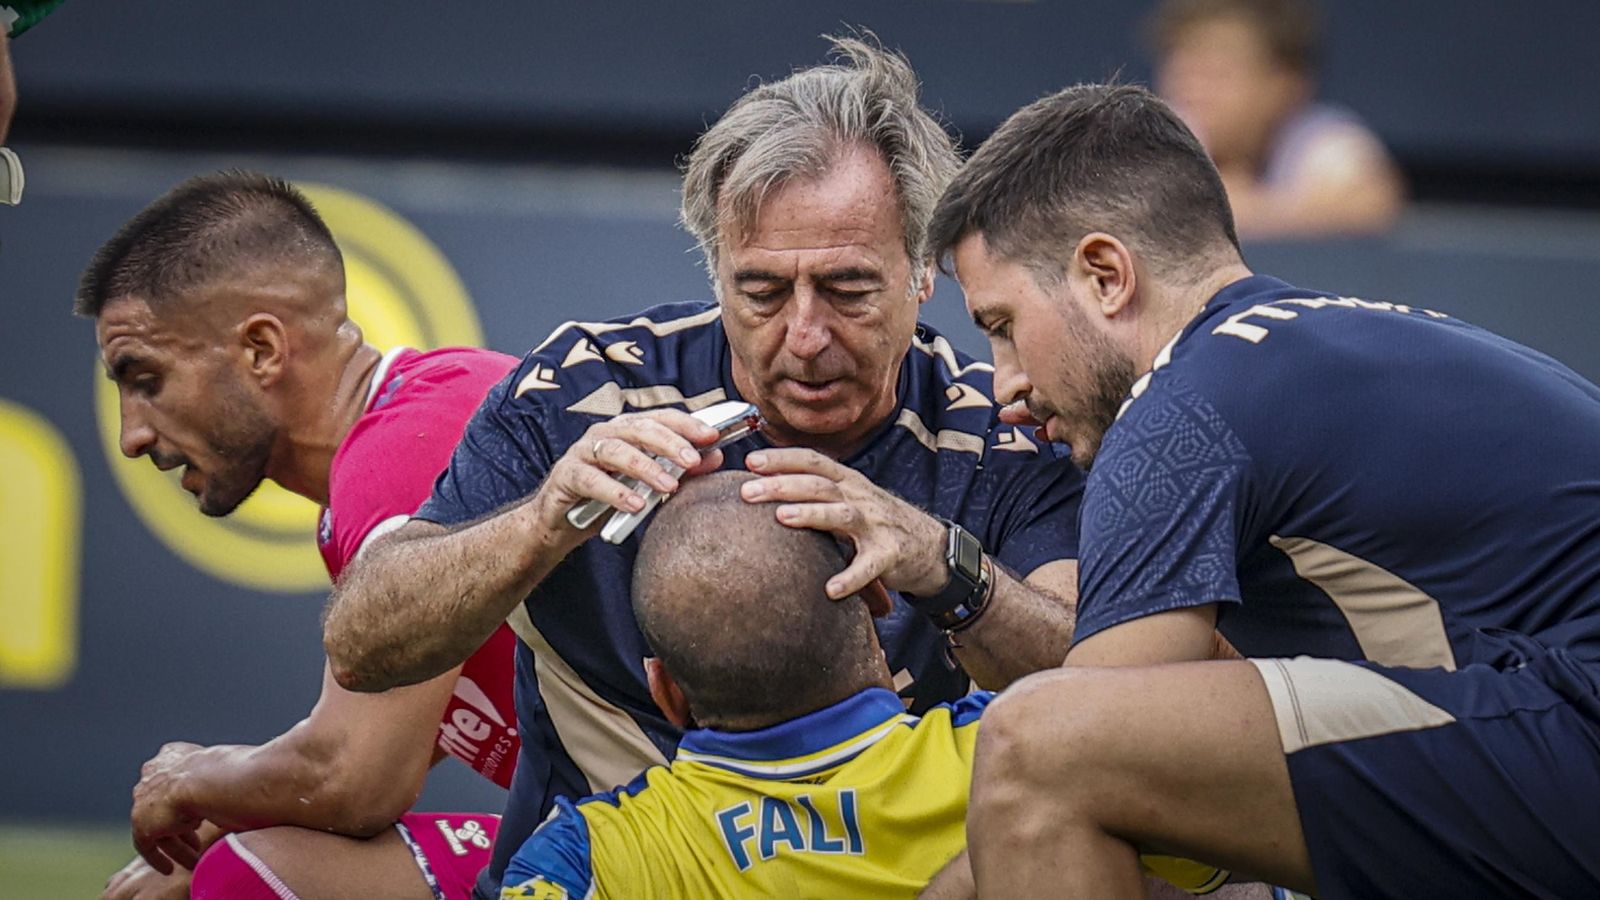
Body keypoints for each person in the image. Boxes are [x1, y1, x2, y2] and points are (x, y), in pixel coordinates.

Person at [323, 36, 1086, 899]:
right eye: (760, 293)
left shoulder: (1001, 435)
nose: (803, 336)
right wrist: (542, 523)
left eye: (847, 289)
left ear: (922, 274)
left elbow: (1103, 693)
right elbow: (363, 648)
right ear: (714, 270)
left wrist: (945, 568)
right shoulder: (579, 389)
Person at [926, 82, 1600, 898]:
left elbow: (1050, 764)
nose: (1005, 383)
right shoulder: (1326, 342)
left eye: (1002, 327)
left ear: (1105, 275)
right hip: (1550, 731)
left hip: (1570, 727)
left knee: (1038, 744)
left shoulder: (1183, 409)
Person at [80, 170, 521, 900]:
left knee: (246, 881)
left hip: (718, 845)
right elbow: (389, 737)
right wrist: (222, 813)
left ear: (260, 350)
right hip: (705, 825)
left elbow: (356, 781)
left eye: (145, 378)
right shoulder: (413, 428)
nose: (132, 435)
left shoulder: (399, 458)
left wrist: (195, 780)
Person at [500, 472, 1231, 899]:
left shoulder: (588, 860)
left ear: (667, 694)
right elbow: (1239, 853)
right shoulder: (1034, 751)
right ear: (879, 601)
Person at [1148, 0, 1404, 238]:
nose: (1195, 92)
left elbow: (1370, 203)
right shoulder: (1157, 135)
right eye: (1183, 73)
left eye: (1218, 74)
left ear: (1285, 84)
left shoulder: (1320, 139)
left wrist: (1248, 209)